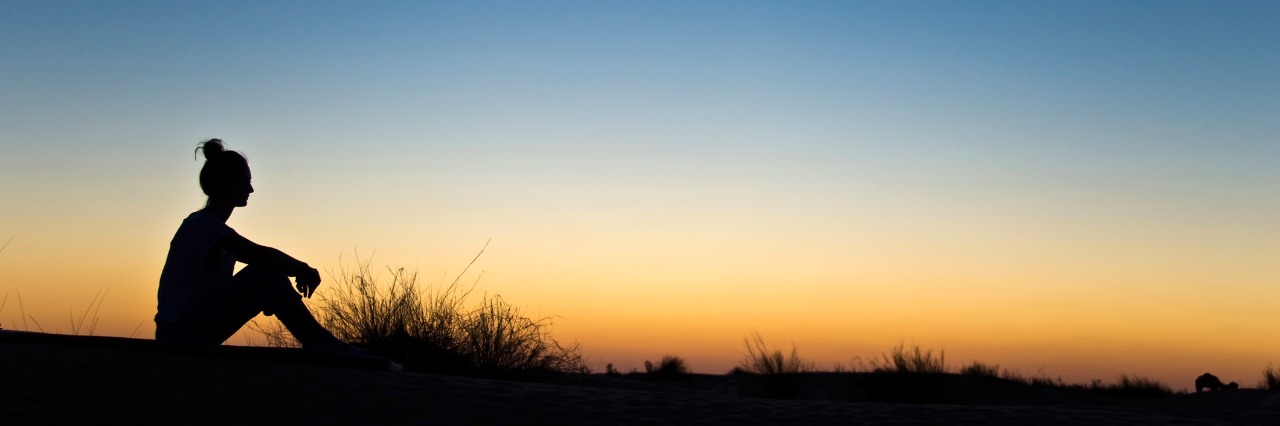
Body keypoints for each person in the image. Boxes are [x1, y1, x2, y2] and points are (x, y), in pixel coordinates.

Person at [155, 139, 353, 352]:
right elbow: (259, 254)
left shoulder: (211, 228)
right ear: (223, 183)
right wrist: (301, 268)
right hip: (179, 333)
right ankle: (322, 344)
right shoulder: (202, 226)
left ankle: (322, 343)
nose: (250, 188)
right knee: (266, 274)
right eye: (243, 181)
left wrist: (266, 295)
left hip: (186, 330)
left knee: (266, 276)